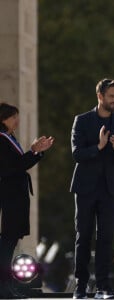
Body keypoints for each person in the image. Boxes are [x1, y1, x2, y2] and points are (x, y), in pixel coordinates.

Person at [70, 78, 114, 299]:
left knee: (106, 237)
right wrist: (99, 146)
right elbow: (77, 153)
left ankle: (103, 286)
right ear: (100, 96)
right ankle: (81, 286)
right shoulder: (82, 121)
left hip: (110, 189)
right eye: (111, 96)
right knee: (83, 236)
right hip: (85, 188)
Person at [0, 102, 54, 299]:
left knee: (9, 243)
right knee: (6, 244)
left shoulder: (9, 138)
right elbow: (12, 167)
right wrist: (33, 151)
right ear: (3, 119)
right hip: (9, 197)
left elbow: (19, 164)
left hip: (15, 196)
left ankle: (6, 286)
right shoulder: (2, 140)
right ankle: (3, 288)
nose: (17, 120)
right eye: (13, 117)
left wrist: (36, 151)